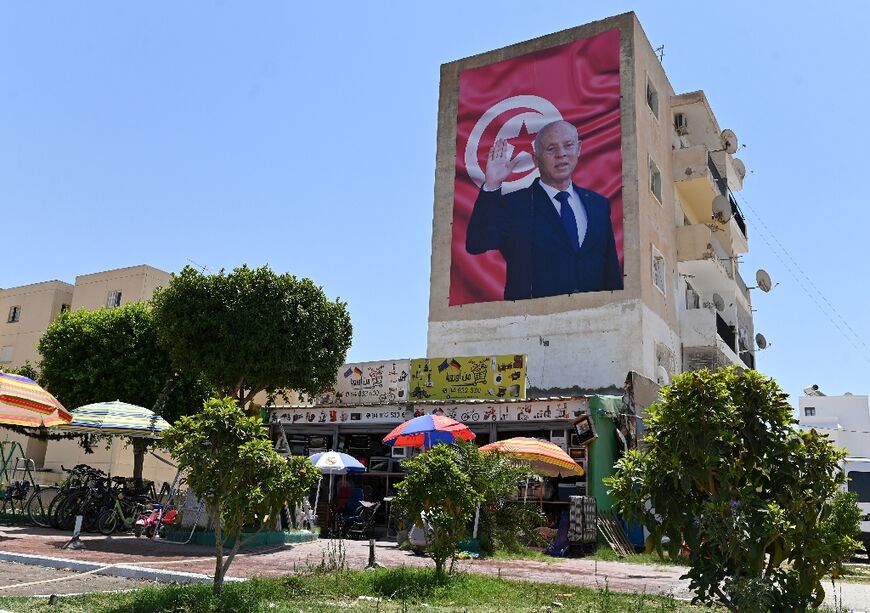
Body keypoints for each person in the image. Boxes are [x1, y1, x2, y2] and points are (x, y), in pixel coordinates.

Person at [465, 120, 623, 300]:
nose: (561, 154)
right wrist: (492, 185)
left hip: (595, 320)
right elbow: (477, 244)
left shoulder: (598, 204)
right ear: (535, 159)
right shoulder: (515, 204)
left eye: (568, 145)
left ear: (578, 148)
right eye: (551, 149)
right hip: (534, 321)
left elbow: (610, 269)